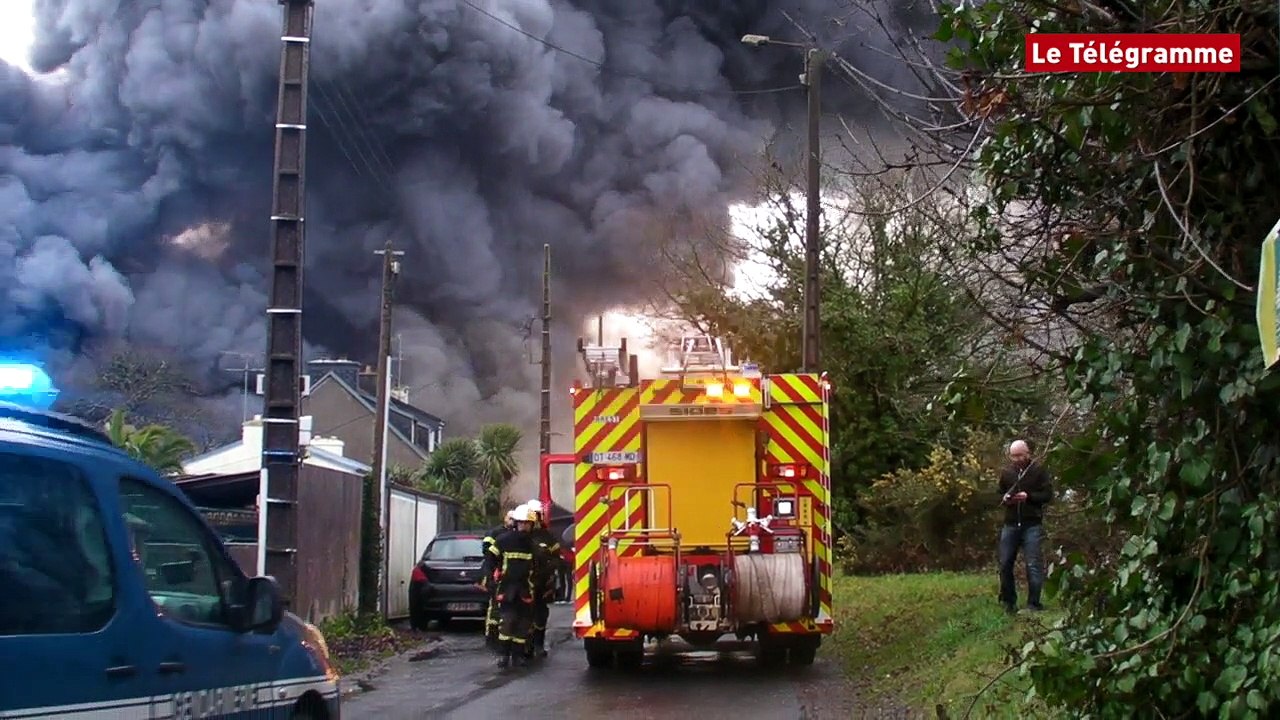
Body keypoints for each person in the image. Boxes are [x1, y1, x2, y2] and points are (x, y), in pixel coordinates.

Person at [997, 439, 1054, 614]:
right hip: (1011, 523)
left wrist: (1028, 497)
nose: (1017, 459)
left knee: (1033, 564)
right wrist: (1006, 498)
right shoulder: (1007, 473)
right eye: (1013, 456)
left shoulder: (1038, 471)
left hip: (1032, 524)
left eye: (1020, 455)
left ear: (1028, 453)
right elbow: (999, 493)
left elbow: (1047, 495)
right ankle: (1009, 602)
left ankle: (1034, 604)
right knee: (1005, 563)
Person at [489, 505, 537, 668]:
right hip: (507, 588)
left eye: (527, 523)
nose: (524, 526)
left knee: (523, 624)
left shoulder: (533, 545)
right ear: (516, 523)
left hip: (526, 590)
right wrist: (491, 578)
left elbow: (540, 567)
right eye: (521, 523)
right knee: (507, 622)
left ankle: (518, 655)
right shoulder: (504, 540)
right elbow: (490, 559)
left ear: (532, 525)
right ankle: (503, 655)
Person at [525, 499, 562, 658]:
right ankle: (526, 646)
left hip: (541, 584)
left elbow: (556, 558)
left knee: (540, 615)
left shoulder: (546, 536)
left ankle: (538, 645)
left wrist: (549, 574)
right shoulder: (521, 536)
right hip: (524, 584)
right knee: (524, 616)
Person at [480, 508, 518, 650]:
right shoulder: (495, 533)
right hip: (496, 573)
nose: (512, 522)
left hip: (508, 575)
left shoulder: (516, 535)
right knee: (494, 607)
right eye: (510, 519)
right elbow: (487, 552)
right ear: (505, 519)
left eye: (514, 520)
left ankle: (505, 637)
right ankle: (491, 636)